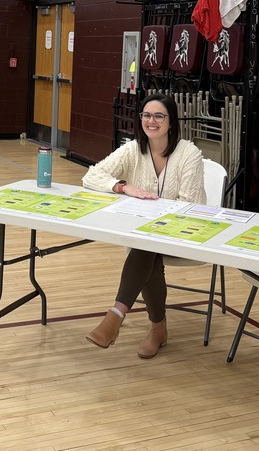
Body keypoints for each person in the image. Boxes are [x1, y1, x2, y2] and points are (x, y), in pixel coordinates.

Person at [81, 93, 205, 358]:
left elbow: (189, 205)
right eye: (147, 115)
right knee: (147, 248)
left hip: (187, 229)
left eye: (159, 115)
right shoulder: (133, 149)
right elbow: (92, 175)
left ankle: (116, 316)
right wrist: (122, 186)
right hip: (148, 235)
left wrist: (155, 222)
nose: (152, 121)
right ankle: (157, 328)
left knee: (145, 246)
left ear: (171, 121)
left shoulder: (189, 153)